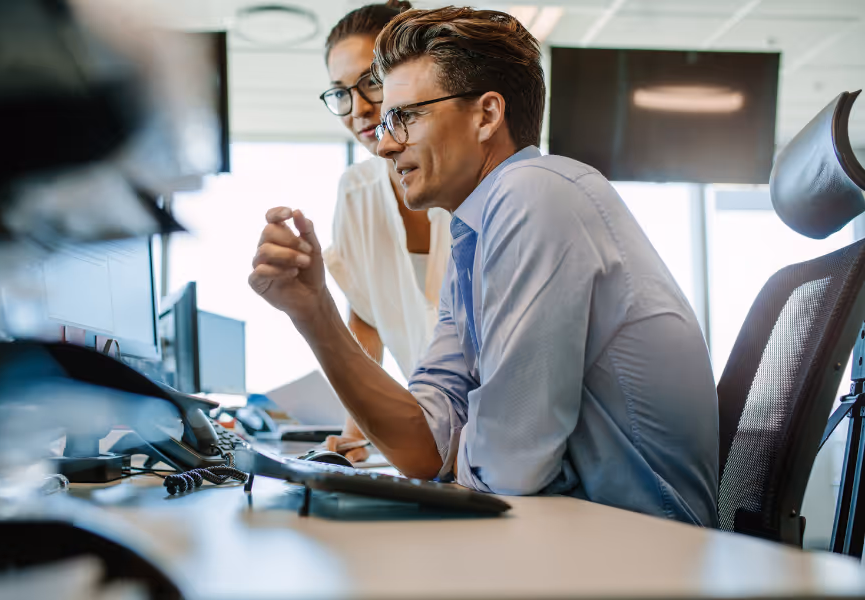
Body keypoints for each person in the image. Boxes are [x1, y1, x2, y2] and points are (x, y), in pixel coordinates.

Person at [249, 7, 719, 525]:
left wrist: (458, 451)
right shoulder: (470, 240)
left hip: (643, 543)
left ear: (486, 115)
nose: (383, 144)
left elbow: (509, 467)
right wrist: (312, 313)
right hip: (572, 529)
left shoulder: (535, 194)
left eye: (404, 116)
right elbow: (425, 447)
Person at [318, 1, 453, 463]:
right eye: (340, 92)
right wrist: (355, 433)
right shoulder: (356, 192)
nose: (358, 108)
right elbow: (367, 319)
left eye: (372, 82)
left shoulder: (472, 179)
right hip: (434, 441)